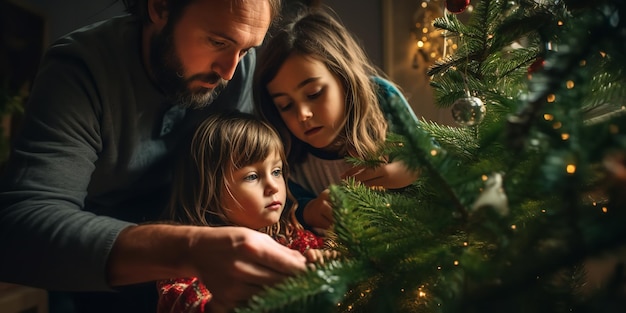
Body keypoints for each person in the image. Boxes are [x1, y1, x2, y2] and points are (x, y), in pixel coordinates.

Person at [0, 0, 312, 312]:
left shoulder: (236, 66)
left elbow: (252, 171)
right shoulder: (81, 69)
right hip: (97, 280)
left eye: (246, 50)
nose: (229, 72)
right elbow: (20, 228)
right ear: (160, 7)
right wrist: (191, 249)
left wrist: (309, 210)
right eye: (217, 42)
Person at [254, 5, 422, 232]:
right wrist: (308, 210)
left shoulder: (382, 99)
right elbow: (282, 206)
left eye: (314, 93)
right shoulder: (284, 146)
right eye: (285, 105)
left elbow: (437, 161)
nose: (302, 114)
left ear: (345, 80)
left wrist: (404, 172)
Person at [156, 110, 335, 313]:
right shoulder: (191, 261)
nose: (273, 186)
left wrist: (324, 260)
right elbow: (177, 304)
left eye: (276, 172)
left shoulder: (290, 236)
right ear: (207, 192)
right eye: (252, 176)